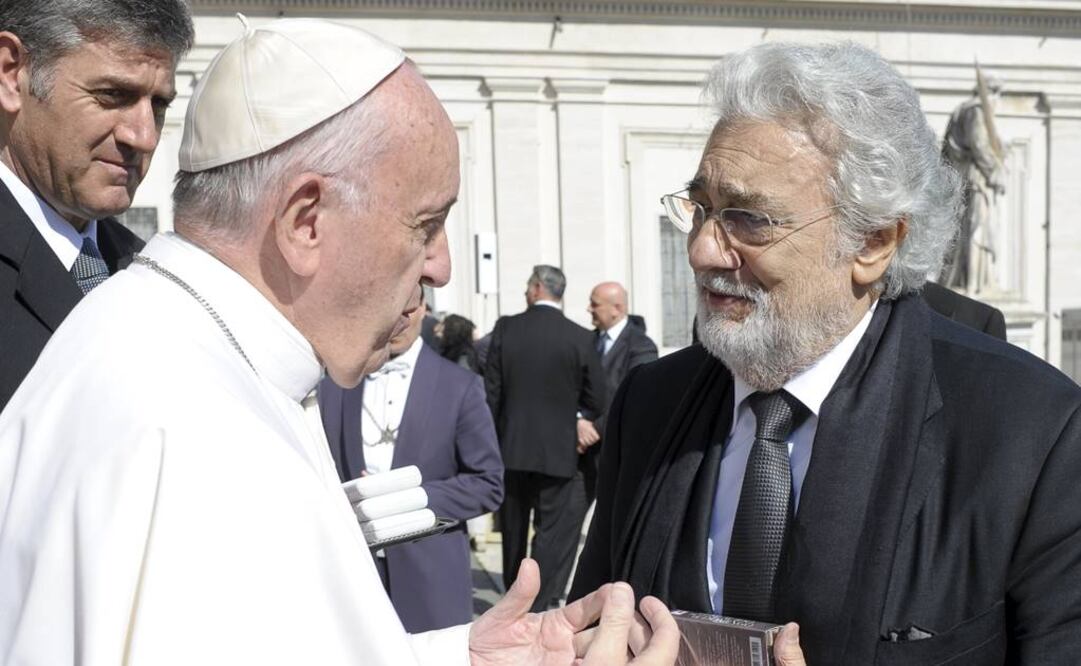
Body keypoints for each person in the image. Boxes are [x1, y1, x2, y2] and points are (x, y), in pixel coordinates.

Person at [0, 18, 680, 665]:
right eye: (424, 224)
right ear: (304, 222)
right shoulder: (193, 428)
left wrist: (455, 655)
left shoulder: (167, 341)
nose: (440, 265)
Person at [570, 41, 1081, 664]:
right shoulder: (650, 404)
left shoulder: (1033, 434)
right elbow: (591, 623)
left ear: (873, 242)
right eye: (701, 208)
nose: (703, 250)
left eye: (749, 219)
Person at [0, 0, 193, 411]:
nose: (144, 137)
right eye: (112, 96)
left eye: (159, 105)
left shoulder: (153, 276)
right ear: (11, 75)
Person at [318, 293, 503, 632]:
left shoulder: (460, 386)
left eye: (409, 308)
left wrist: (406, 501)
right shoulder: (332, 383)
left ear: (425, 310)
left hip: (431, 575)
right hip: (352, 579)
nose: (399, 318)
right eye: (390, 306)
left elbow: (488, 484)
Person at [485, 264, 605, 612]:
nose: (525, 291)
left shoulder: (507, 328)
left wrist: (492, 444)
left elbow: (491, 393)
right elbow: (598, 399)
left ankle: (511, 594)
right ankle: (534, 601)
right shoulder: (581, 337)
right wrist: (577, 419)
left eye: (527, 285)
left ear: (537, 288)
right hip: (560, 452)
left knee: (512, 528)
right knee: (550, 531)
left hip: (510, 450)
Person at [578, 281, 658, 503]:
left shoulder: (641, 346)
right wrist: (579, 422)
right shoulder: (586, 341)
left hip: (618, 451)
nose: (588, 309)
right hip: (582, 452)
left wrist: (596, 428)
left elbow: (635, 395)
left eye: (595, 304)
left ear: (617, 308)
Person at [940, 74, 1007, 293]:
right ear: (991, 94)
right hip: (977, 178)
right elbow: (979, 145)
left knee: (969, 228)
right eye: (997, 95)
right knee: (979, 228)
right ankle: (974, 283)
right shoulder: (976, 111)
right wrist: (995, 172)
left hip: (964, 178)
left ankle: (971, 279)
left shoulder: (961, 111)